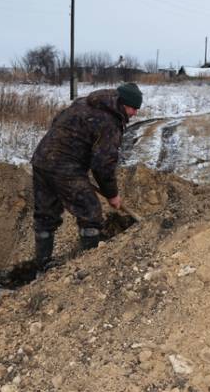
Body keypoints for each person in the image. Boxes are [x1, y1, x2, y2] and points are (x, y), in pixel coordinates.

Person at [30, 82, 143, 267]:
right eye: (133, 108)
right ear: (122, 103)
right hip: (66, 168)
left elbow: (57, 122)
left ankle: (41, 268)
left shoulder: (85, 103)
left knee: (45, 215)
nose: (134, 113)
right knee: (90, 213)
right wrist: (112, 194)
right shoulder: (109, 122)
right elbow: (103, 164)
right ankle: (88, 269)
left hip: (42, 160)